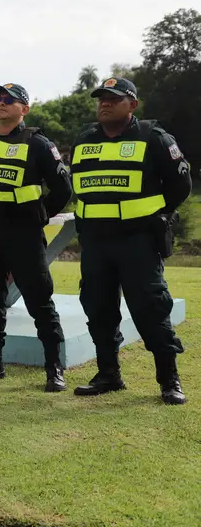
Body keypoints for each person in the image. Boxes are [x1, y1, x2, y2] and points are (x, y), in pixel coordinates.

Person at [70, 77, 192, 405]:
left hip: (137, 241)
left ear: (132, 104)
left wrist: (163, 215)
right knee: (98, 308)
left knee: (150, 307)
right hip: (95, 242)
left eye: (113, 98)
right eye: (101, 99)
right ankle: (108, 374)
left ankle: (169, 379)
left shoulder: (153, 137)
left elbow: (181, 184)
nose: (104, 104)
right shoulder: (84, 139)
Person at [0, 83, 73, 391]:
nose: (0, 103)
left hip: (23, 235)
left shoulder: (37, 144)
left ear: (24, 109)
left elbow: (62, 188)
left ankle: (54, 367)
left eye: (9, 100)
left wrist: (38, 216)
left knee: (39, 300)